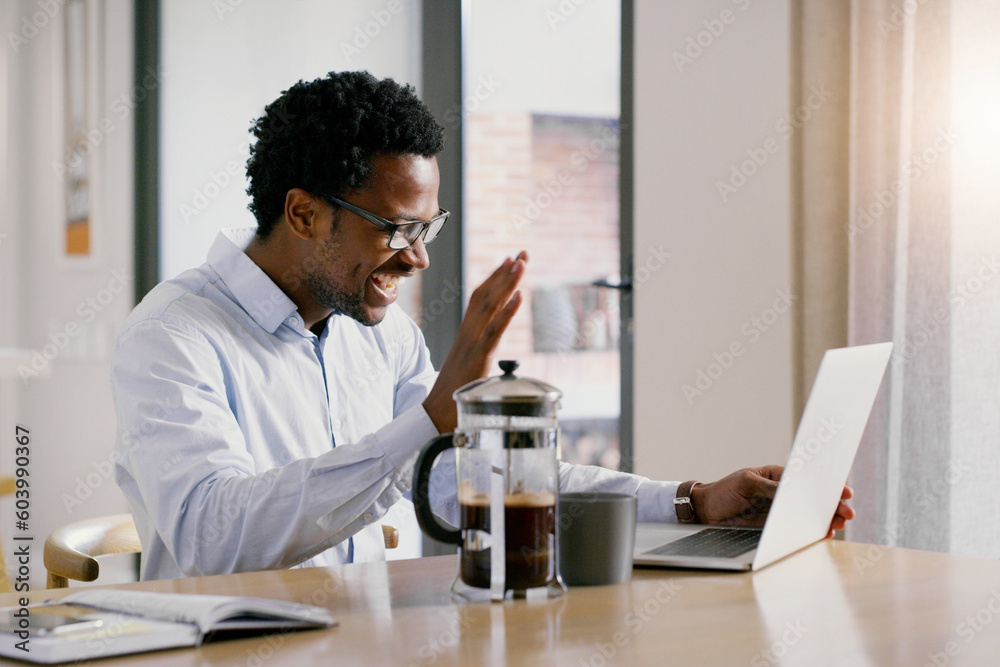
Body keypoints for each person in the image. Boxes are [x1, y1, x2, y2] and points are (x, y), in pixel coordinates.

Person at [111, 71, 854, 580]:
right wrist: (432, 416)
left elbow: (462, 483)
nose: (419, 258)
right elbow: (214, 539)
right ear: (304, 213)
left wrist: (691, 499)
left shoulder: (379, 335)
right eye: (396, 229)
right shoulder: (174, 335)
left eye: (427, 226)